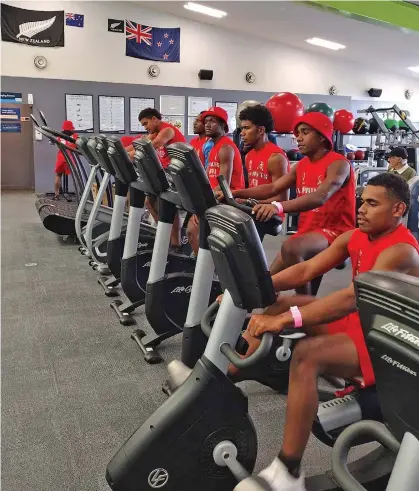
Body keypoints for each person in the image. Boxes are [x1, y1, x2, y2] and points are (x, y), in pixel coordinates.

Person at [242, 173, 419, 491]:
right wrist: (257, 284)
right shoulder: (355, 236)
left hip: (391, 338)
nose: (361, 208)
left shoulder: (402, 251)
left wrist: (288, 321)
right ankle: (227, 373)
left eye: (373, 203)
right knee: (286, 302)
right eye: (362, 201)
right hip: (364, 323)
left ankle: (288, 471)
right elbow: (307, 269)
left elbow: (350, 298)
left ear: (398, 210)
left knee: (308, 354)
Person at [221, 112, 356, 295]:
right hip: (308, 231)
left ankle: (302, 305)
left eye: (305, 132)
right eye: (297, 133)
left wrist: (277, 206)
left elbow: (320, 197)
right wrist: (233, 192)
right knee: (266, 284)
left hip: (336, 231)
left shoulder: (338, 164)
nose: (298, 138)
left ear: (322, 137)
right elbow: (273, 187)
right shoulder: (301, 166)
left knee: (292, 247)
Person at [187, 106, 245, 254]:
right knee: (192, 232)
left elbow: (222, 186)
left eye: (212, 121)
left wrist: (201, 208)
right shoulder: (212, 147)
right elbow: (208, 179)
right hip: (214, 200)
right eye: (206, 121)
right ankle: (204, 269)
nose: (207, 124)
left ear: (223, 126)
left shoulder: (226, 147)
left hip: (228, 202)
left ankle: (210, 271)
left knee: (193, 231)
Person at [126, 108, 186, 249]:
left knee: (167, 204)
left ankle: (175, 242)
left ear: (154, 118)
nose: (146, 128)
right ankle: (165, 234)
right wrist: (121, 151)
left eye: (146, 123)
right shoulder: (154, 132)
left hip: (179, 173)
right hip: (166, 172)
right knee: (150, 201)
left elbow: (153, 145)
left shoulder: (167, 130)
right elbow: (138, 144)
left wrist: (130, 155)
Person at [239, 104, 290, 200]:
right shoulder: (248, 156)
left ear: (261, 130)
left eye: (246, 128)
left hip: (272, 214)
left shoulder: (276, 158)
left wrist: (249, 202)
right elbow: (253, 191)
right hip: (253, 212)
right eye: (242, 128)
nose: (242, 133)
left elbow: (282, 198)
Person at [53, 120, 78, 200]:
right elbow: (78, 147)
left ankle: (56, 194)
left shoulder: (59, 136)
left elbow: (55, 144)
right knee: (75, 176)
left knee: (58, 175)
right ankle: (78, 194)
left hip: (61, 157)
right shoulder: (76, 136)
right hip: (71, 157)